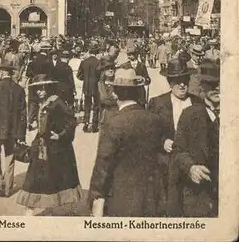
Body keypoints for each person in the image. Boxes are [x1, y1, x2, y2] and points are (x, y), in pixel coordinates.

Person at [88, 67, 163, 217]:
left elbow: (103, 164)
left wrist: (96, 197)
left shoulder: (113, 123)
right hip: (152, 196)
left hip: (121, 196)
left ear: (115, 93)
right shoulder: (154, 119)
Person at [17, 74, 82, 215]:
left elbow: (71, 121)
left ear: (48, 88)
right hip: (42, 147)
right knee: (35, 177)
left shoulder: (57, 102)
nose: (39, 92)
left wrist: (60, 135)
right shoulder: (43, 103)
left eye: (41, 88)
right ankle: (29, 211)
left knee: (61, 178)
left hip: (58, 149)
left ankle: (67, 209)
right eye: (37, 89)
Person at [148, 58, 203, 215]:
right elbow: (149, 133)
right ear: (170, 83)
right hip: (166, 163)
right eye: (177, 81)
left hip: (191, 163)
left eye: (184, 80)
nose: (182, 85)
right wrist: (162, 142)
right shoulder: (157, 103)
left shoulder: (197, 102)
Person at [167, 59, 220, 217]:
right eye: (212, 84)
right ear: (202, 86)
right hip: (201, 196)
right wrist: (190, 167)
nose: (218, 88)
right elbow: (179, 151)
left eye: (222, 83)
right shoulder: (190, 115)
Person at [0, 61, 27, 198]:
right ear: (11, 73)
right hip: (13, 131)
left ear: (2, 73)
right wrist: (22, 134)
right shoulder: (19, 89)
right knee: (10, 158)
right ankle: (8, 189)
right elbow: (23, 114)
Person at [26, 40, 53, 130]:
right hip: (45, 82)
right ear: (46, 50)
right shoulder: (48, 60)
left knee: (33, 102)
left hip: (34, 82)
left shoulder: (33, 59)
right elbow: (52, 73)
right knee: (43, 102)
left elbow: (28, 73)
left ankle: (29, 121)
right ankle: (42, 122)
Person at [77, 41, 101, 133]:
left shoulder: (84, 62)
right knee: (96, 105)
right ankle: (94, 125)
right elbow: (100, 75)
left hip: (86, 86)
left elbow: (79, 76)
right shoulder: (98, 62)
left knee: (87, 105)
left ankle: (86, 123)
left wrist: (85, 78)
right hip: (96, 86)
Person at [98, 59, 117, 128]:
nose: (111, 70)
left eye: (112, 68)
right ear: (103, 71)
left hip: (118, 117)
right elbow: (103, 99)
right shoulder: (100, 84)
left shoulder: (118, 84)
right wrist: (114, 98)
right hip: (105, 118)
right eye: (108, 69)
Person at [69, 46, 83, 113]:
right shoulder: (81, 61)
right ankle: (79, 106)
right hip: (79, 75)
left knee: (74, 90)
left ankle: (75, 105)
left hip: (73, 76)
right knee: (80, 90)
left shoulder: (71, 61)